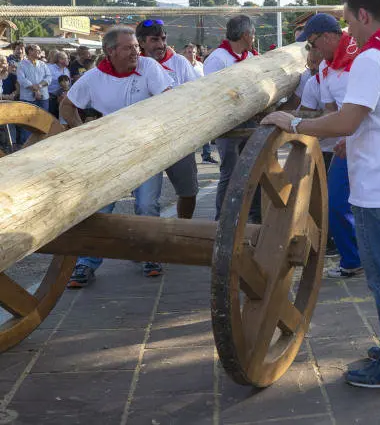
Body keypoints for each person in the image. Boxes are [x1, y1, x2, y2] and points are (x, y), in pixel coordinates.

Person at [262, 0, 380, 389]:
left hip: (379, 188)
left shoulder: (371, 59)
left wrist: (294, 123)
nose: (347, 29)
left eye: (349, 20)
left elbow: (346, 121)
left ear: (364, 15)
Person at [61, 26, 173, 286]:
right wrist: (81, 132)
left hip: (147, 148)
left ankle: (150, 255)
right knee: (100, 207)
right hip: (108, 153)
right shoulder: (93, 78)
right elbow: (67, 106)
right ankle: (86, 262)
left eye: (136, 46)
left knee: (147, 205)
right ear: (110, 51)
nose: (136, 52)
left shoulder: (149, 67)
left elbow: (169, 100)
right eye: (128, 48)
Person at [136, 19, 201, 220]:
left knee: (188, 191)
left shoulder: (179, 62)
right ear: (141, 42)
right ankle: (149, 236)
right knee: (145, 203)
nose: (161, 44)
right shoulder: (134, 64)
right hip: (144, 141)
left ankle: (183, 228)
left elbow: (196, 93)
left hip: (178, 136)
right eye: (154, 40)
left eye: (163, 39)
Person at [204, 15, 261, 220]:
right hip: (227, 124)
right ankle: (223, 220)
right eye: (253, 34)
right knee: (230, 172)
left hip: (250, 119)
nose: (254, 38)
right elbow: (212, 93)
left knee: (254, 169)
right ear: (245, 35)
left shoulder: (251, 57)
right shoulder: (218, 59)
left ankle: (256, 217)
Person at [17, 44, 51, 113]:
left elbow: (49, 77)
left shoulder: (43, 64)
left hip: (43, 97)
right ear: (30, 51)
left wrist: (39, 86)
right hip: (27, 98)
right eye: (38, 50)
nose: (40, 52)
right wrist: (35, 90)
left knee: (43, 117)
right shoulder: (21, 64)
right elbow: (22, 79)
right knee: (27, 118)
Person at [46, 51, 70, 117]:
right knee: (52, 117)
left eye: (68, 58)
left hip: (63, 98)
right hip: (51, 98)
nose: (68, 60)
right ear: (59, 59)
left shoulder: (66, 70)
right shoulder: (49, 68)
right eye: (66, 58)